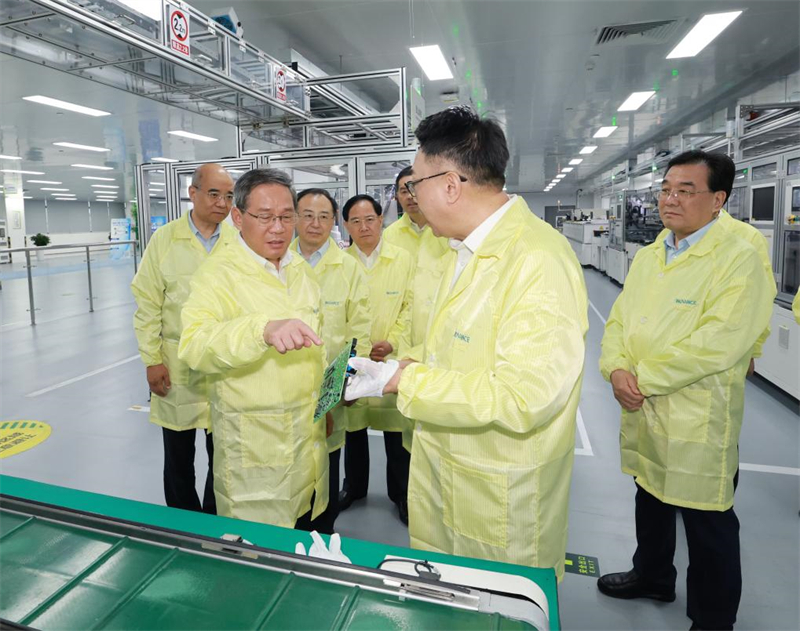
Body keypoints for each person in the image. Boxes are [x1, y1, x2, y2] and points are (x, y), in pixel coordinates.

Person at [348, 106, 588, 579]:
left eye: (415, 184)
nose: (411, 198)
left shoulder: (535, 259)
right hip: (454, 480)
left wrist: (404, 382)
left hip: (499, 504)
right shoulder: (463, 251)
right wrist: (404, 365)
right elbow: (458, 348)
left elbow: (524, 396)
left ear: (450, 185)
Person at [597, 150, 775, 631]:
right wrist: (615, 368)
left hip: (696, 407)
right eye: (666, 189)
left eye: (685, 191)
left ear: (718, 200)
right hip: (644, 403)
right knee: (650, 492)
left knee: (706, 517)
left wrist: (643, 379)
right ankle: (653, 575)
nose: (670, 200)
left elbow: (721, 340)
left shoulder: (739, 254)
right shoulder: (653, 253)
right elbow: (620, 319)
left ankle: (713, 619)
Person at [178, 168, 329, 529]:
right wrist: (260, 331)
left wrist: (326, 397)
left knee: (307, 535)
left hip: (307, 436)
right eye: (264, 217)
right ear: (238, 217)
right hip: (256, 442)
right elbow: (194, 344)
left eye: (286, 217)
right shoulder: (218, 274)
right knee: (257, 543)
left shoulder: (299, 269)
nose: (278, 228)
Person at [131, 163, 237, 514]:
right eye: (214, 194)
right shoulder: (165, 240)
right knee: (178, 455)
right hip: (176, 364)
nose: (222, 203)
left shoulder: (237, 241)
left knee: (223, 454)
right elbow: (148, 303)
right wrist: (152, 360)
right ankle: (183, 521)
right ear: (192, 194)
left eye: (229, 196)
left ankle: (213, 518)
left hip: (224, 363)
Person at [292, 187, 372, 534]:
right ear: (295, 218)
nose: (315, 223)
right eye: (308, 215)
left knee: (327, 462)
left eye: (324, 216)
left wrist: (349, 380)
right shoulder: (278, 262)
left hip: (331, 386)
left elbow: (360, 328)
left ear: (334, 221)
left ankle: (323, 533)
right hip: (288, 384)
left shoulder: (348, 268)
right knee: (292, 466)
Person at [339, 194, 413, 524]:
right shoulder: (340, 264)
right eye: (355, 221)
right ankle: (354, 487)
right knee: (353, 428)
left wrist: (392, 341)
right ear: (346, 225)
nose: (364, 227)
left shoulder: (403, 260)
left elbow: (410, 308)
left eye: (370, 219)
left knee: (395, 431)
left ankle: (401, 494)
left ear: (381, 219)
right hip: (355, 357)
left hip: (390, 357)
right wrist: (356, 348)